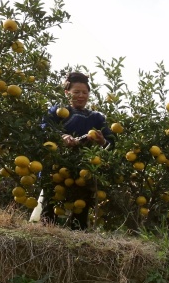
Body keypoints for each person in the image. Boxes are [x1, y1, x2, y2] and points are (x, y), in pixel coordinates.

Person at [40, 72, 114, 229]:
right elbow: (44, 129)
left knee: (81, 209)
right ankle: (45, 234)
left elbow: (111, 144)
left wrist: (102, 141)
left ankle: (78, 237)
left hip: (83, 169)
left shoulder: (96, 118)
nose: (81, 96)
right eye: (76, 92)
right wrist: (61, 136)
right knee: (50, 205)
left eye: (85, 92)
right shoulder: (58, 111)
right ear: (67, 93)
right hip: (56, 166)